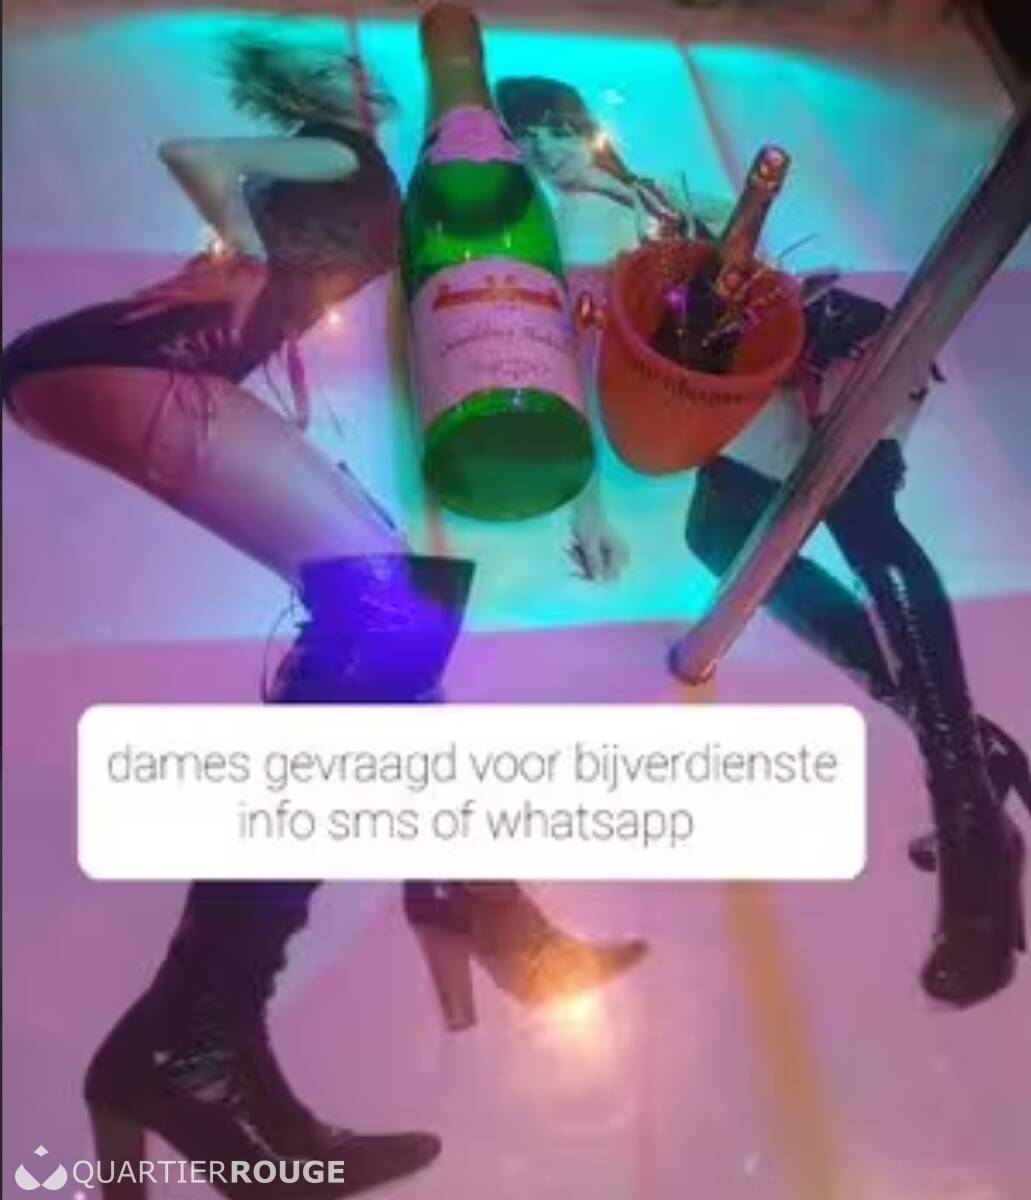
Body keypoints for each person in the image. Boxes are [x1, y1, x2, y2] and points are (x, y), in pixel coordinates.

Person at [3, 36, 642, 1197]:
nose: (365, 85)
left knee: (386, 618)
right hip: (135, 367)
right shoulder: (340, 152)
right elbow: (196, 153)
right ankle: (210, 1036)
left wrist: (252, 278)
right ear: (316, 93)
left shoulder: (352, 169)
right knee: (382, 610)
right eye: (343, 78)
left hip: (135, 369)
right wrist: (240, 248)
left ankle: (427, 922)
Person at [499, 75, 1027, 1009]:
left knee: (857, 513)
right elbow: (582, 355)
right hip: (761, 386)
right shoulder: (571, 228)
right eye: (524, 135)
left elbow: (758, 276)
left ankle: (971, 832)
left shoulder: (651, 193)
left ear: (582, 128)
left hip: (815, 353)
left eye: (554, 126)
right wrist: (586, 504)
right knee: (720, 532)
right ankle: (975, 767)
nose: (544, 145)